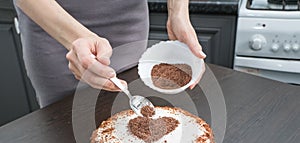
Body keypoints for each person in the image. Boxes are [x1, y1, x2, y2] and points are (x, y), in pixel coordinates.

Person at [14, 0, 206, 108]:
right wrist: (74, 37)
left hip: (130, 22)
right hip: (55, 27)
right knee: (65, 132)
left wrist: (177, 12)